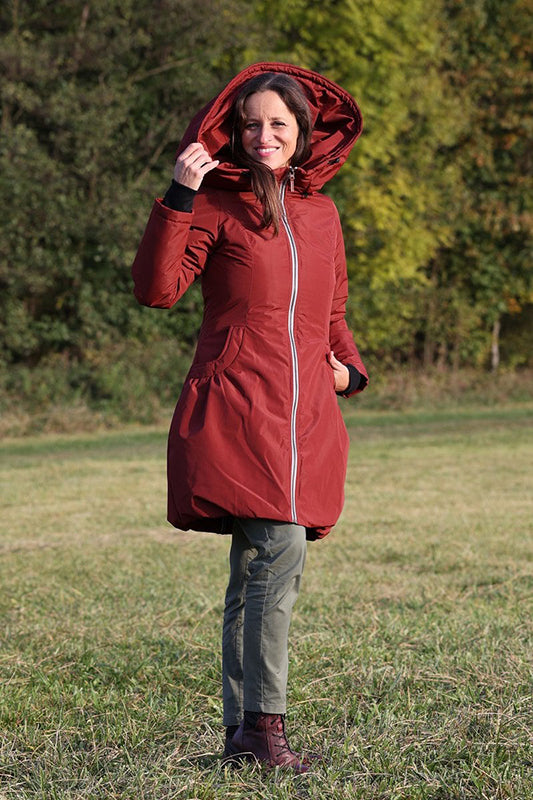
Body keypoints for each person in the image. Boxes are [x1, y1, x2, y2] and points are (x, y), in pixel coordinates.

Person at [131, 62, 368, 772]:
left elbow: (332, 314)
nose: (264, 135)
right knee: (277, 554)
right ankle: (264, 731)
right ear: (233, 133)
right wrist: (180, 193)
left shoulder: (322, 214)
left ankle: (243, 733)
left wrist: (350, 371)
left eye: (278, 124)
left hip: (307, 418)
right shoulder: (214, 203)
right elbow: (156, 288)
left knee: (261, 569)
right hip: (237, 406)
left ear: (302, 133)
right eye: (250, 124)